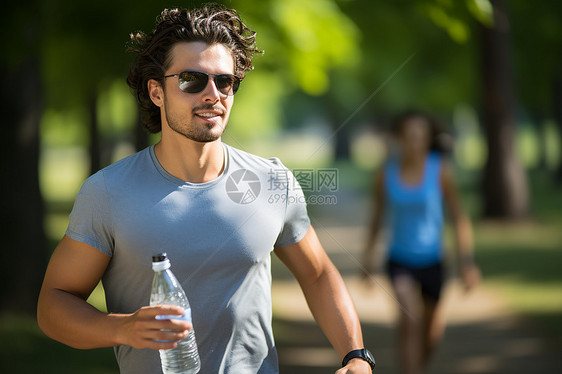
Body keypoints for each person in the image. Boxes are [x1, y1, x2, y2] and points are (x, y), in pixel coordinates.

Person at [37, 4, 375, 374]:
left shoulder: (272, 181)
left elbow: (318, 274)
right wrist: (121, 327)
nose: (213, 94)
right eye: (191, 80)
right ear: (156, 92)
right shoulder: (107, 192)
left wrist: (355, 356)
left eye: (224, 81)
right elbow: (54, 305)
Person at [361, 110, 481, 374]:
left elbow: (459, 218)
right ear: (399, 139)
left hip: (433, 259)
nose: (415, 142)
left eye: (420, 136)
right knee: (408, 320)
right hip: (400, 258)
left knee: (430, 333)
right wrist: (367, 260)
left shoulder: (440, 170)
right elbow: (376, 219)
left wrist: (467, 262)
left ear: (428, 139)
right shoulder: (386, 174)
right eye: (409, 136)